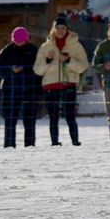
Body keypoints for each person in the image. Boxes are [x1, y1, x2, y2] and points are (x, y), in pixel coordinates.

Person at [35, 14, 88, 145]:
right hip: (50, 86)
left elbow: (83, 66)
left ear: (67, 29)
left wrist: (69, 60)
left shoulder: (76, 45)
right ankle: (54, 142)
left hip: (68, 85)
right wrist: (47, 60)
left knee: (70, 116)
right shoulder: (44, 47)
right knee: (53, 117)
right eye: (57, 27)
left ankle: (75, 141)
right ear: (53, 29)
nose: (60, 30)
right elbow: (37, 70)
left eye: (63, 28)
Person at [0, 27, 42, 148]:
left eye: (21, 40)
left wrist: (25, 69)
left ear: (26, 39)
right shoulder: (7, 50)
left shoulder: (33, 50)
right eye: (16, 40)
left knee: (29, 120)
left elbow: (39, 68)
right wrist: (10, 70)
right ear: (12, 39)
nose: (19, 42)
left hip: (29, 89)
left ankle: (30, 145)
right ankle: (9, 145)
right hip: (10, 90)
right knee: (10, 120)